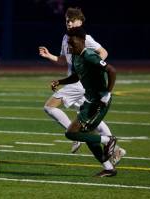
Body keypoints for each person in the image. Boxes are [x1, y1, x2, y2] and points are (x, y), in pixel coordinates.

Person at [39, 7, 125, 165]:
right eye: (67, 20)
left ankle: (75, 136)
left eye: (72, 20)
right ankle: (115, 150)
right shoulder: (66, 38)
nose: (69, 23)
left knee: (50, 107)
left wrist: (92, 67)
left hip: (78, 84)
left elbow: (103, 52)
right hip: (76, 81)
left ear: (80, 21)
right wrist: (49, 55)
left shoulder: (85, 38)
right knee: (90, 121)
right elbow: (65, 60)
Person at [50, 26, 118, 177]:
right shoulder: (75, 56)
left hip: (99, 102)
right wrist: (60, 81)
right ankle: (108, 168)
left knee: (72, 133)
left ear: (82, 41)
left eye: (72, 42)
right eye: (68, 42)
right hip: (89, 101)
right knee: (86, 133)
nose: (69, 45)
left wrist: (107, 93)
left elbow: (112, 71)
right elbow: (76, 76)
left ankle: (108, 140)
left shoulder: (89, 55)